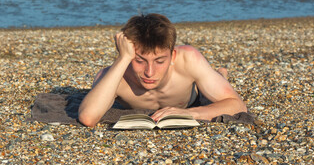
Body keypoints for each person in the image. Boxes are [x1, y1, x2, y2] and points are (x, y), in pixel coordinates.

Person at [78, 13, 247, 127]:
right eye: (139, 60)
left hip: (193, 98)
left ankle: (219, 75)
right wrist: (123, 59)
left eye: (159, 61)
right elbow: (88, 118)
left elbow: (237, 105)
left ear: (173, 56)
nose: (149, 72)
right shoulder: (113, 75)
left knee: (210, 95)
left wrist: (189, 113)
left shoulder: (188, 59)